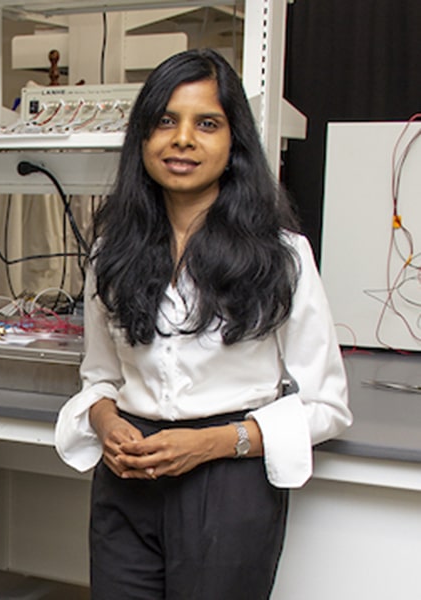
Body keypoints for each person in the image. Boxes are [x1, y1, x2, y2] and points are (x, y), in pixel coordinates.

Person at [54, 48, 352, 600]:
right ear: (142, 138)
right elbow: (99, 377)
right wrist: (104, 422)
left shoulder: (282, 257)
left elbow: (327, 407)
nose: (183, 138)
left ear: (234, 142)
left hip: (229, 479)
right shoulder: (110, 255)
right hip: (128, 478)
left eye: (206, 123)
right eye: (165, 120)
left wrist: (211, 444)